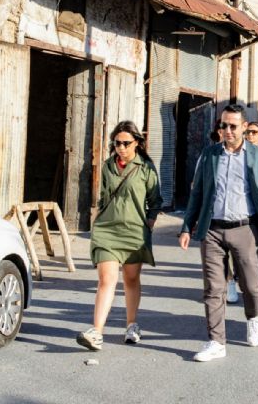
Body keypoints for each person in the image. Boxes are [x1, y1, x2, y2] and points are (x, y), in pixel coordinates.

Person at [179, 104, 258, 362]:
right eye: (223, 125)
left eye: (232, 126)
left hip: (244, 228)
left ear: (245, 127)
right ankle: (216, 342)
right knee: (214, 288)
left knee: (251, 285)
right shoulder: (210, 154)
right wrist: (186, 226)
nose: (227, 130)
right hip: (212, 229)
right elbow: (198, 194)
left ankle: (253, 318)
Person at [77, 121, 162, 351]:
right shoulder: (107, 166)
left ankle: (132, 325)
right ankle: (96, 332)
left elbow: (155, 201)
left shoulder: (146, 168)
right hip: (107, 230)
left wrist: (149, 223)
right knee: (106, 280)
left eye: (126, 143)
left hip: (134, 231)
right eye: (117, 143)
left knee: (131, 280)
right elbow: (103, 197)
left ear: (137, 143)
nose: (121, 147)